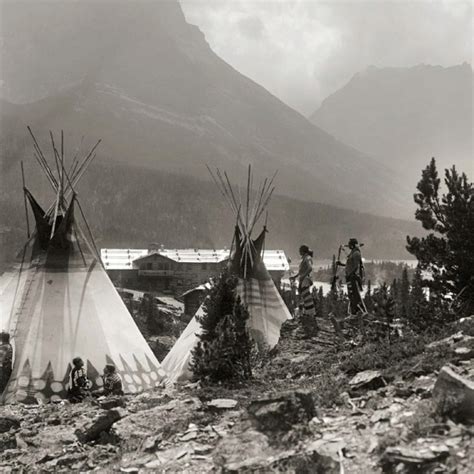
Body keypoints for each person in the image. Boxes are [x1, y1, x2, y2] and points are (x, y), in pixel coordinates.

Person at [290, 245, 317, 335]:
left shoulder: (307, 258)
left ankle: (310, 314)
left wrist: (303, 276)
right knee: (305, 296)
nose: (299, 252)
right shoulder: (306, 258)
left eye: (300, 250)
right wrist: (296, 276)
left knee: (306, 296)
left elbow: (309, 268)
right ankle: (308, 313)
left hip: (305, 279)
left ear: (303, 251)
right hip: (304, 278)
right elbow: (302, 270)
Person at [338, 238, 365, 314]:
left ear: (352, 245)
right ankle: (354, 312)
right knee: (351, 295)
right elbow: (350, 265)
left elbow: (355, 266)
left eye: (350, 244)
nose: (348, 246)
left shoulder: (356, 253)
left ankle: (359, 312)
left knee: (354, 295)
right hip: (351, 277)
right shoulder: (354, 253)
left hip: (353, 277)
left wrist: (351, 274)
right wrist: (341, 264)